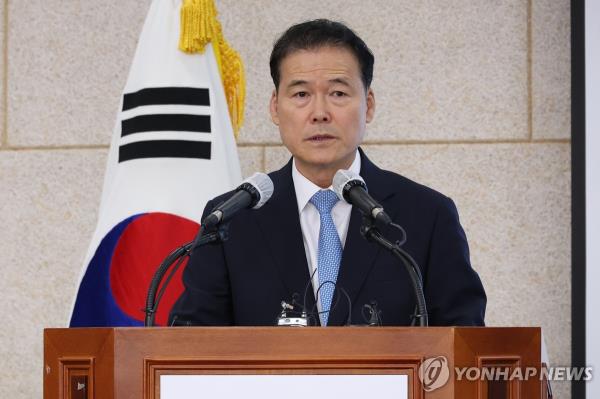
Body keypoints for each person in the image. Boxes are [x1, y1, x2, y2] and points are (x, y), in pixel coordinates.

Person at [169, 19, 486, 326]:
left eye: (338, 93)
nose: (319, 113)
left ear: (369, 105)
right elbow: (192, 342)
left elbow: (464, 339)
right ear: (275, 107)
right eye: (301, 95)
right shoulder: (231, 219)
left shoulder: (427, 215)